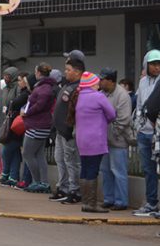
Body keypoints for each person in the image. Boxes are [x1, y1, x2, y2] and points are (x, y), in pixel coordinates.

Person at [69, 72, 116, 213]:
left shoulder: (79, 97)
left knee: (84, 168)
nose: (98, 85)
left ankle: (85, 202)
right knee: (93, 170)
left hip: (81, 139)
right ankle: (92, 204)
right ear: (92, 84)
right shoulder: (98, 97)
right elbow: (112, 114)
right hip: (96, 138)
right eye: (96, 83)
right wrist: (104, 120)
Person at [50, 57, 85, 204]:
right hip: (59, 131)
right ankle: (62, 188)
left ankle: (74, 190)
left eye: (68, 70)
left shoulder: (78, 88)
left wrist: (69, 129)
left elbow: (76, 112)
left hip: (68, 132)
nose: (66, 72)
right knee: (60, 160)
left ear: (77, 72)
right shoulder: (67, 85)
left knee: (71, 161)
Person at [99, 68, 132, 211]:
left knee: (118, 171)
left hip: (118, 140)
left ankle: (121, 201)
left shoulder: (122, 95)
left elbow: (124, 119)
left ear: (110, 81)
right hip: (104, 140)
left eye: (103, 79)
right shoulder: (101, 94)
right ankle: (109, 198)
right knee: (105, 170)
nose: (100, 82)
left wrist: (113, 134)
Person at [133, 49, 160, 217]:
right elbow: (140, 104)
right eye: (153, 64)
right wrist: (138, 125)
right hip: (143, 132)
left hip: (157, 132)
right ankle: (151, 202)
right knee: (148, 170)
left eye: (159, 64)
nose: (157, 68)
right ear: (146, 65)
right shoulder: (142, 82)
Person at [21, 63, 56, 193]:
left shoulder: (43, 89)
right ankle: (44, 182)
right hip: (41, 124)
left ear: (39, 73)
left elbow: (39, 106)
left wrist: (27, 112)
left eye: (35, 72)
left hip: (37, 125)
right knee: (39, 154)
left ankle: (38, 181)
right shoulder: (46, 87)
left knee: (28, 154)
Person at [0, 71, 30, 186]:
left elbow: (15, 103)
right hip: (11, 121)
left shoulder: (23, 92)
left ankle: (9, 174)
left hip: (17, 124)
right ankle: (11, 175)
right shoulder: (8, 89)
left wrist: (11, 104)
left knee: (8, 150)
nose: (19, 82)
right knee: (14, 151)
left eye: (20, 80)